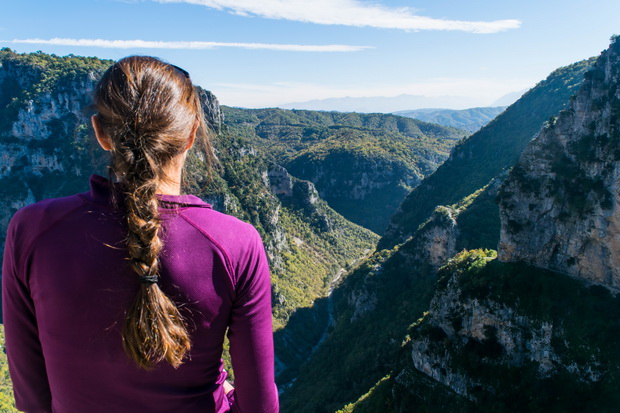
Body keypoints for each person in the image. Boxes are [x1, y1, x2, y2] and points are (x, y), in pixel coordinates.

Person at [2, 56, 279, 412]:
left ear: (101, 132)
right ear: (192, 134)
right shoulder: (236, 244)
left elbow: (31, 400)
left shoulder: (32, 229)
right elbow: (260, 407)